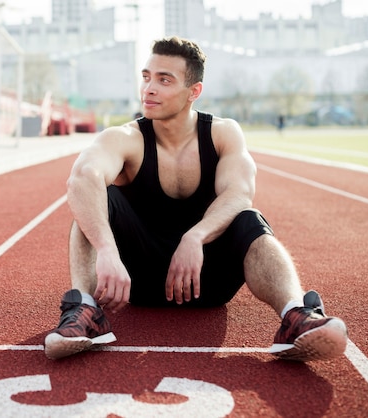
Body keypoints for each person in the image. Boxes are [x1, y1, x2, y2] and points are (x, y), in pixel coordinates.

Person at [44, 36, 348, 362]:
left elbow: (239, 193)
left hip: (207, 280)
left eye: (164, 80)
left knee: (249, 219)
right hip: (135, 283)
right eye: (146, 77)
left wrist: (196, 236)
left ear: (194, 91)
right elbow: (81, 178)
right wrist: (106, 249)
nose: (149, 89)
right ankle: (86, 311)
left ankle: (295, 315)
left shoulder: (222, 133)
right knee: (95, 200)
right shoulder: (125, 138)